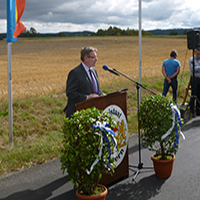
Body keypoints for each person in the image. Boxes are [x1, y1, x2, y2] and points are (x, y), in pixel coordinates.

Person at [63, 46, 105, 118]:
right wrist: (87, 97)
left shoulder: (94, 71)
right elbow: (70, 93)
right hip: (78, 114)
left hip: (92, 111)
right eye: (94, 57)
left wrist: (101, 94)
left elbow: (95, 89)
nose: (96, 59)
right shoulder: (75, 73)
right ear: (86, 58)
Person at [189, 48, 200, 117]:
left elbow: (196, 68)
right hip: (194, 79)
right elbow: (193, 69)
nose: (198, 55)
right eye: (197, 54)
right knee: (193, 94)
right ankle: (192, 111)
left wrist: (197, 68)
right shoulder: (191, 59)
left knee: (199, 95)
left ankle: (198, 111)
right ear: (195, 52)